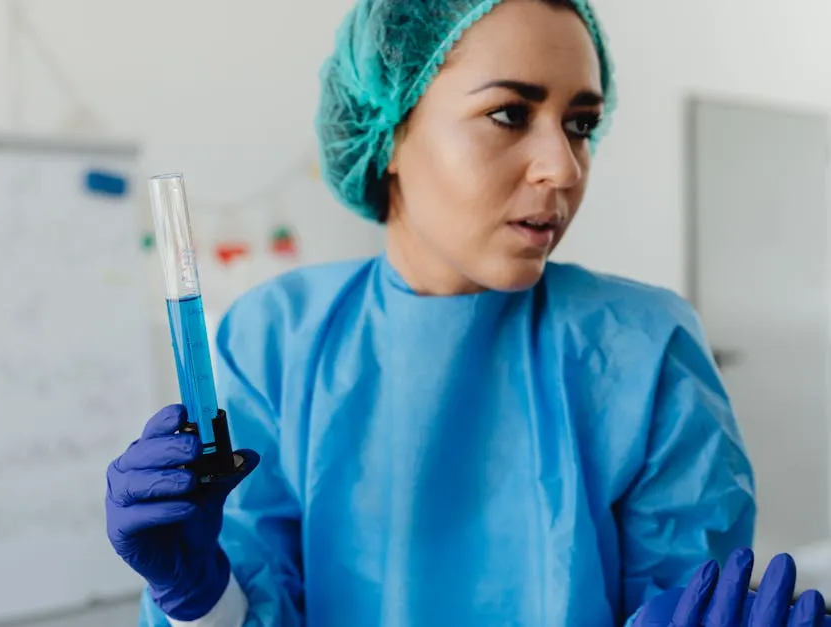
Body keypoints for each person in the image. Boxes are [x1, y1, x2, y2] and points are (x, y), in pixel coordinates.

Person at [104, 0, 828, 625]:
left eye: (580, 123)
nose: (564, 167)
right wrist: (198, 596)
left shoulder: (644, 348)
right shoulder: (278, 341)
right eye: (510, 114)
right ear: (388, 131)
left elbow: (682, 593)